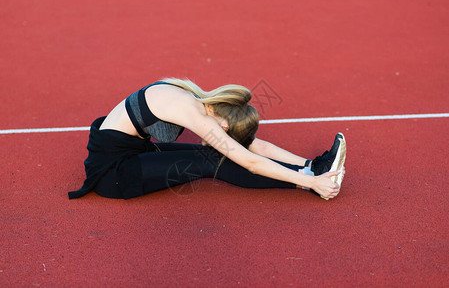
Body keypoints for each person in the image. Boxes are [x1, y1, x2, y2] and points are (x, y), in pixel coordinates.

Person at [68, 78, 346, 200]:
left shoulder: (197, 97)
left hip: (131, 154)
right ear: (224, 122)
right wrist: (308, 183)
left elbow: (251, 145)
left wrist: (310, 165)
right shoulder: (190, 110)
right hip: (113, 174)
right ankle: (310, 184)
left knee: (218, 154)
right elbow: (249, 161)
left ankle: (317, 167)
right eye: (227, 132)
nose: (224, 135)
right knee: (214, 162)